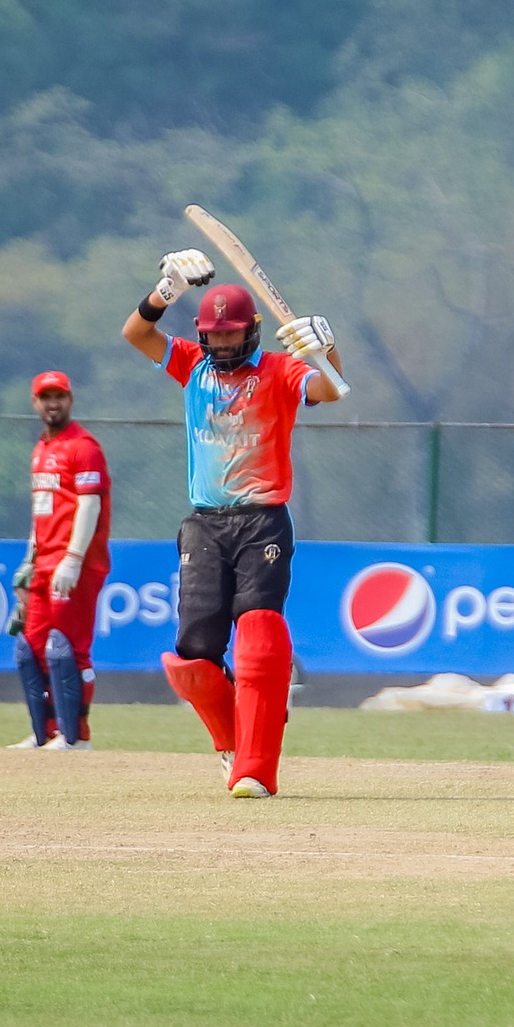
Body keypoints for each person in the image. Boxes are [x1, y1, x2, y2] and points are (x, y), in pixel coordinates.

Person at [121, 247, 345, 797]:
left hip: (262, 519)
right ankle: (232, 742)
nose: (221, 345)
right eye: (213, 336)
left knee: (259, 632)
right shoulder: (191, 366)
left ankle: (256, 769)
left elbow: (331, 389)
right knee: (192, 656)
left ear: (252, 331)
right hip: (205, 523)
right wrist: (167, 291)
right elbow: (136, 333)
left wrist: (327, 348)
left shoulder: (280, 369)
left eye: (231, 335)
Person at [6, 370, 111, 751]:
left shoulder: (83, 447)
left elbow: (89, 504)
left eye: (59, 397)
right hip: (44, 564)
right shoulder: (41, 448)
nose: (53, 404)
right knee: (32, 647)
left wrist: (74, 558)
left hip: (74, 565)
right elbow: (42, 511)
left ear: (70, 400)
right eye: (46, 397)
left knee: (69, 648)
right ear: (35, 402)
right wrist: (28, 563)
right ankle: (46, 732)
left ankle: (76, 735)